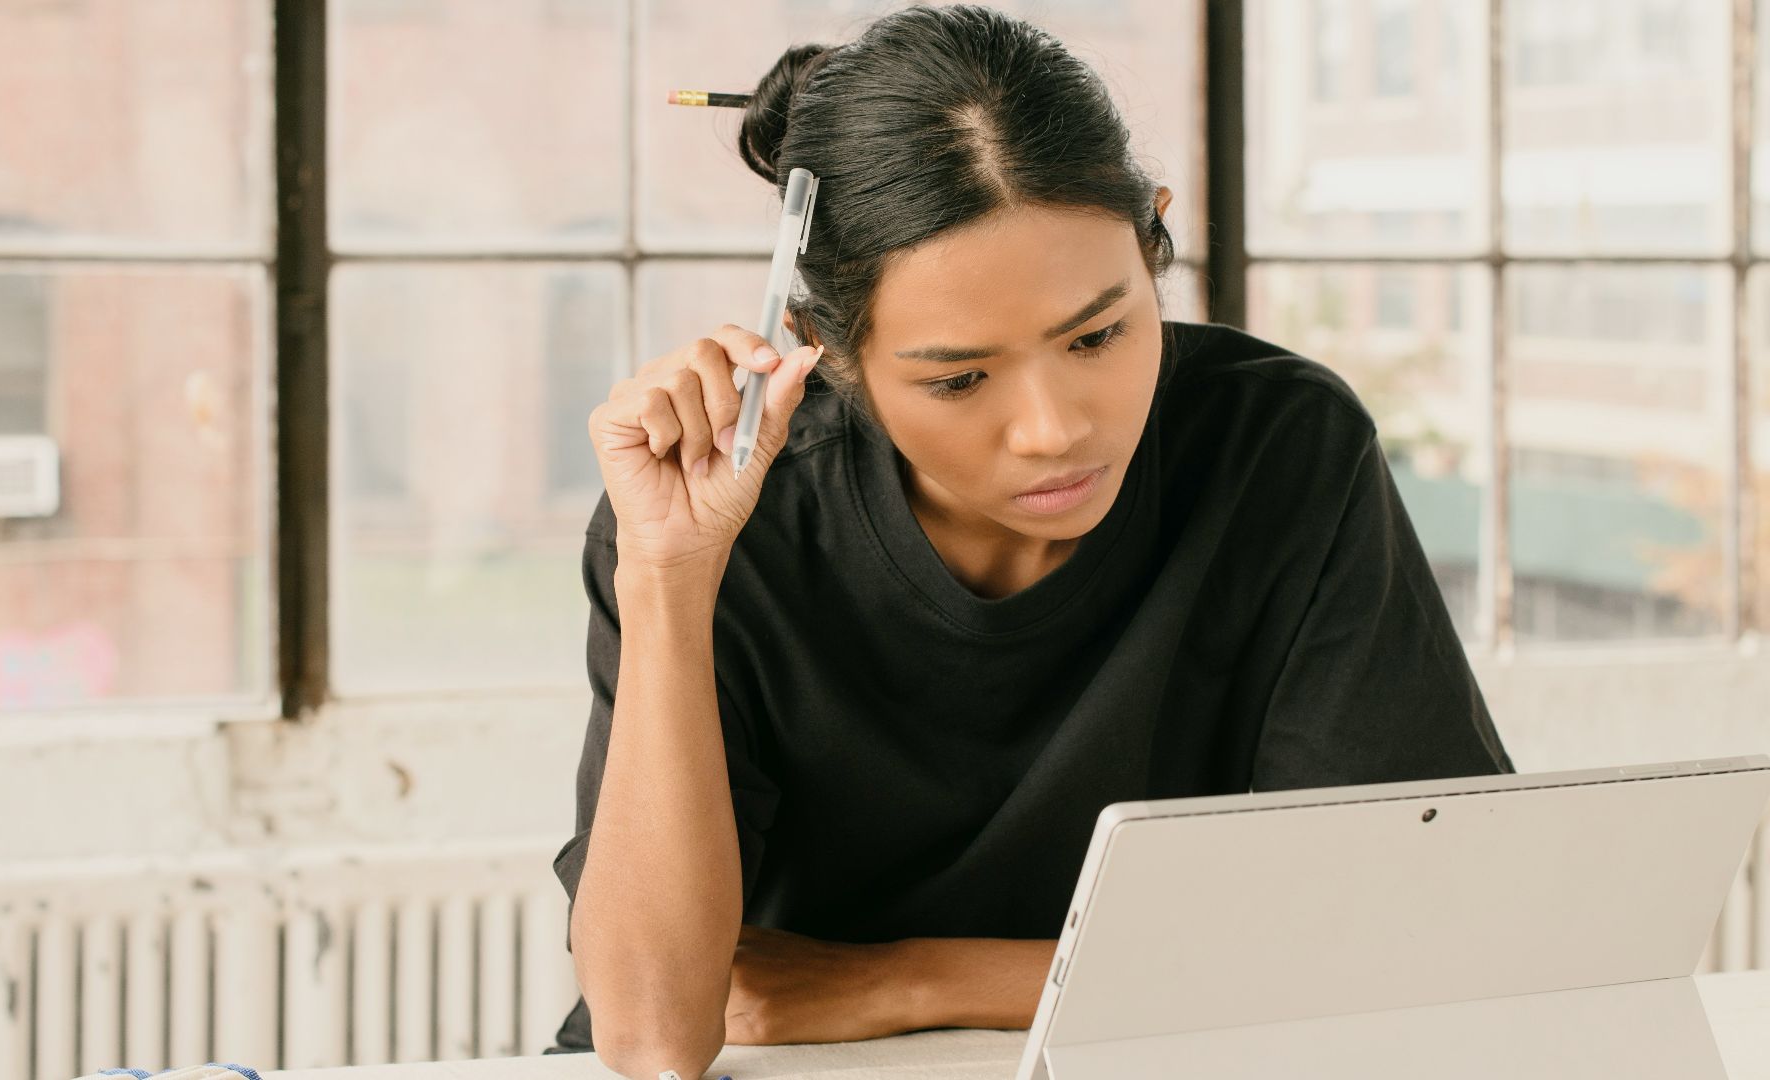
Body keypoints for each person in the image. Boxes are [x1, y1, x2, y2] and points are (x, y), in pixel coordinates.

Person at [550, 6, 1512, 1077]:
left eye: (1099, 333)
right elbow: (650, 1037)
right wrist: (672, 578)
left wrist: (898, 982)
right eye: (959, 377)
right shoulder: (725, 511)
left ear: (1154, 239)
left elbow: (1422, 937)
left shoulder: (1279, 446)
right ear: (826, 349)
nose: (1055, 429)